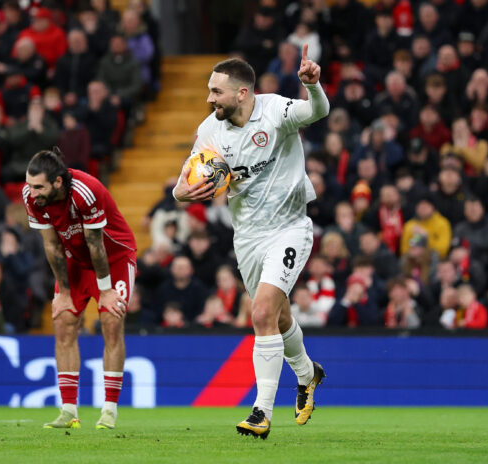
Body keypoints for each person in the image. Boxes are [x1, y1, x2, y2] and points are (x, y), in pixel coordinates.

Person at [172, 50, 328, 438]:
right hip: (248, 237)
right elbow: (182, 183)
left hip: (290, 228)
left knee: (260, 313)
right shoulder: (210, 130)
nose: (210, 98)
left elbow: (318, 112)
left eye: (216, 91)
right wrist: (183, 193)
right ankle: (308, 374)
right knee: (279, 316)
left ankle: (261, 411)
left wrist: (312, 85)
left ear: (242, 93)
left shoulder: (276, 111)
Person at [24, 148, 137, 430]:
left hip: (114, 258)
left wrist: (107, 290)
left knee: (111, 321)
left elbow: (96, 244)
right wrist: (63, 292)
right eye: (29, 184)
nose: (32, 191)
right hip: (76, 260)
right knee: (63, 322)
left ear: (58, 183)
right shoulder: (33, 198)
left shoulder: (87, 191)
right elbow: (51, 245)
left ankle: (109, 410)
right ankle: (68, 411)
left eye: (38, 186)